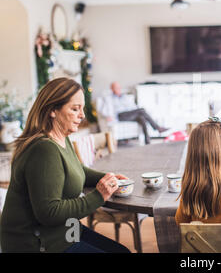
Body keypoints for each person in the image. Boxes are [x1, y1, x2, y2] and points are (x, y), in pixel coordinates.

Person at [0, 77, 131, 253]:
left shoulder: (61, 138)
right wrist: (99, 195)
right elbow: (49, 212)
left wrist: (107, 178)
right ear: (53, 110)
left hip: (64, 232)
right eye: (75, 109)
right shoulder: (44, 149)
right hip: (38, 243)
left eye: (82, 108)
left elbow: (75, 170)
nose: (83, 115)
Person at [98, 81, 168, 144]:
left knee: (141, 118)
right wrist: (107, 116)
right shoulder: (109, 98)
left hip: (129, 114)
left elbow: (133, 107)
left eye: (119, 87)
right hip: (120, 115)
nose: (118, 89)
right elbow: (103, 110)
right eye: (116, 88)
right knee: (142, 110)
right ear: (112, 89)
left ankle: (147, 140)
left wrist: (136, 110)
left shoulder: (125, 97)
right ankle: (157, 128)